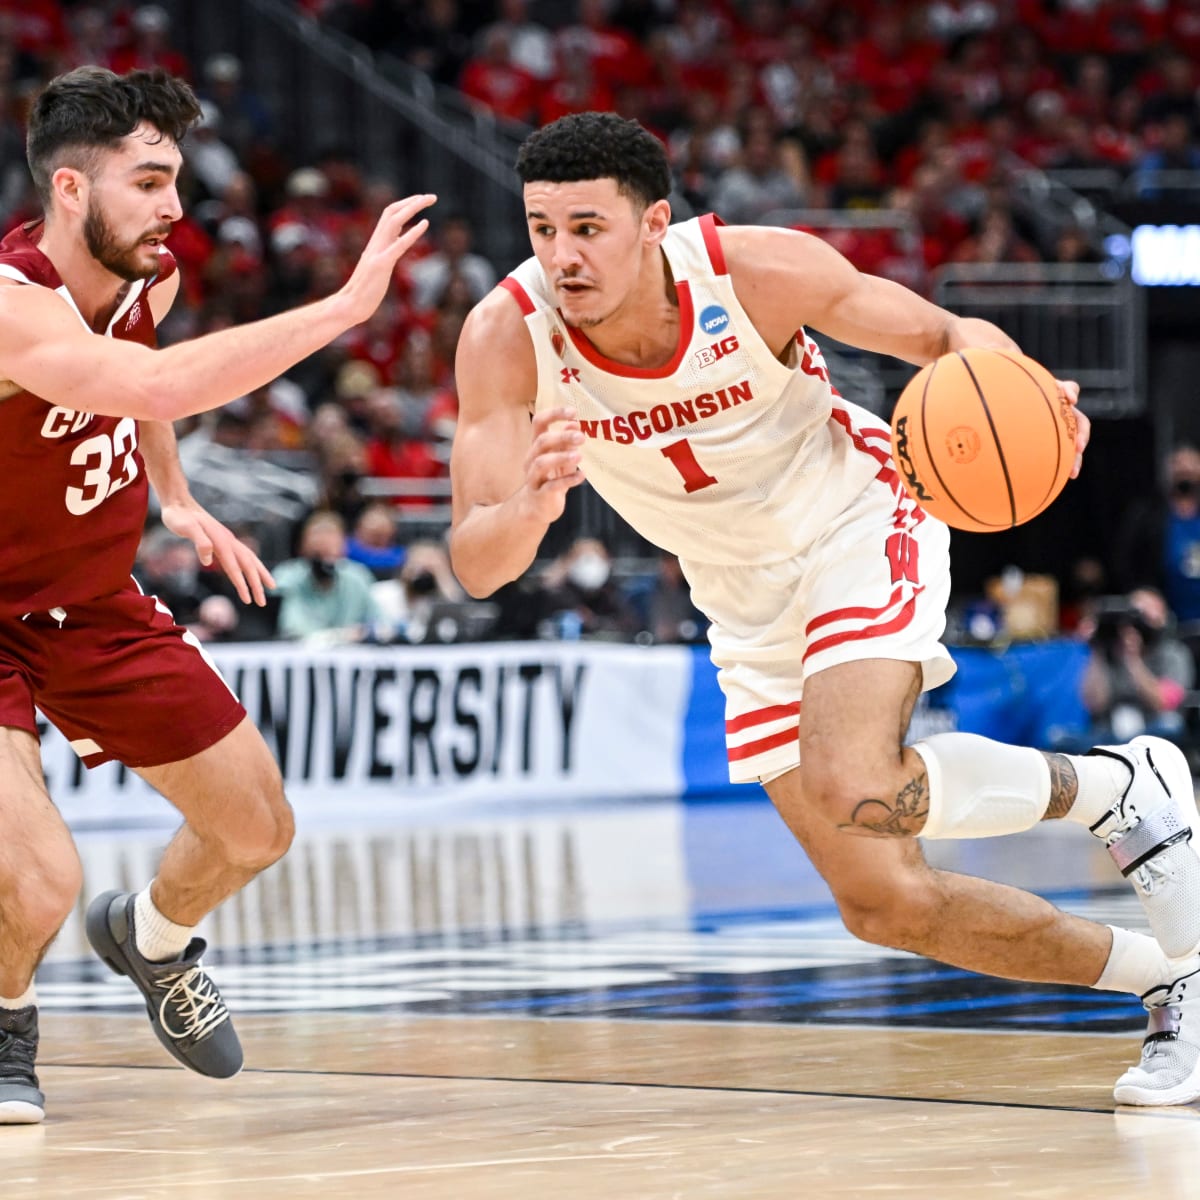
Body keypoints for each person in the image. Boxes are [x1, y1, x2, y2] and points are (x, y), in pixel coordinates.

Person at [448, 111, 1200, 1107]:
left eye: (587, 227)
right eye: (542, 229)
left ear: (654, 222)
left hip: (853, 515)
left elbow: (941, 333)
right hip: (741, 600)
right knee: (885, 903)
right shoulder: (506, 336)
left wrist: (1013, 382)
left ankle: (1117, 786)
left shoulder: (749, 271)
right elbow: (476, 562)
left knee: (855, 777)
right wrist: (531, 510)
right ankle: (1171, 980)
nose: (560, 255)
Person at [0, 65, 434, 1123]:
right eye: (149, 182)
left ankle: (148, 936)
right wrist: (345, 306)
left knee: (255, 827)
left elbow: (141, 380)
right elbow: (151, 383)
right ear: (69, 189)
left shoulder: (149, 282)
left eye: (177, 180)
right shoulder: (11, 309)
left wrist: (177, 493)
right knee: (38, 876)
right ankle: (8, 1019)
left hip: (91, 599)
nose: (176, 209)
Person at [1078, 588, 1195, 747]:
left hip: (1154, 729)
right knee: (1062, 738)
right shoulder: (1109, 651)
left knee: (1170, 725)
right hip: (1110, 731)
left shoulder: (1174, 654)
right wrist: (1096, 647)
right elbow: (1095, 704)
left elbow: (1163, 703)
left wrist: (1133, 659)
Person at [273, 510, 380, 642]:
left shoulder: (358, 576)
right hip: (299, 652)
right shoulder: (287, 576)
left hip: (351, 653)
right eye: (318, 552)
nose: (325, 561)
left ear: (343, 548)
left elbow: (379, 621)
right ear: (303, 546)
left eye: (330, 552)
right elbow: (288, 625)